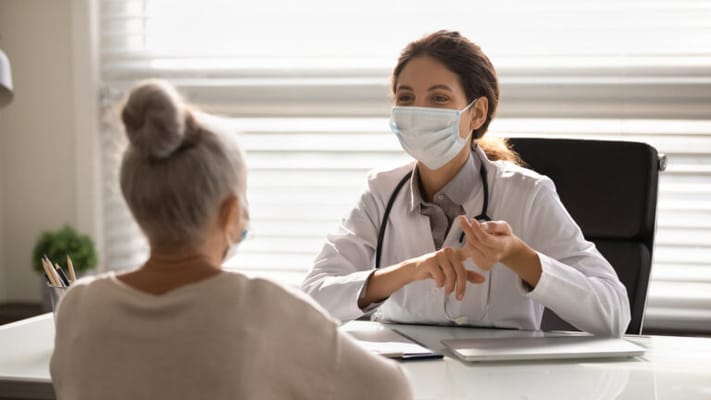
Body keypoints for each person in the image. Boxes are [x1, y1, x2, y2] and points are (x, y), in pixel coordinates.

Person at [50, 80, 412, 400]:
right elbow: (391, 390)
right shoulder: (263, 307)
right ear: (229, 213)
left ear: (136, 203)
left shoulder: (78, 307)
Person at [301, 30, 630, 337]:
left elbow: (613, 314)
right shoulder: (381, 191)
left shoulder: (528, 194)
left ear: (477, 114)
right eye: (406, 98)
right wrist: (408, 271)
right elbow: (311, 303)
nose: (418, 112)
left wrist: (518, 256)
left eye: (439, 99)